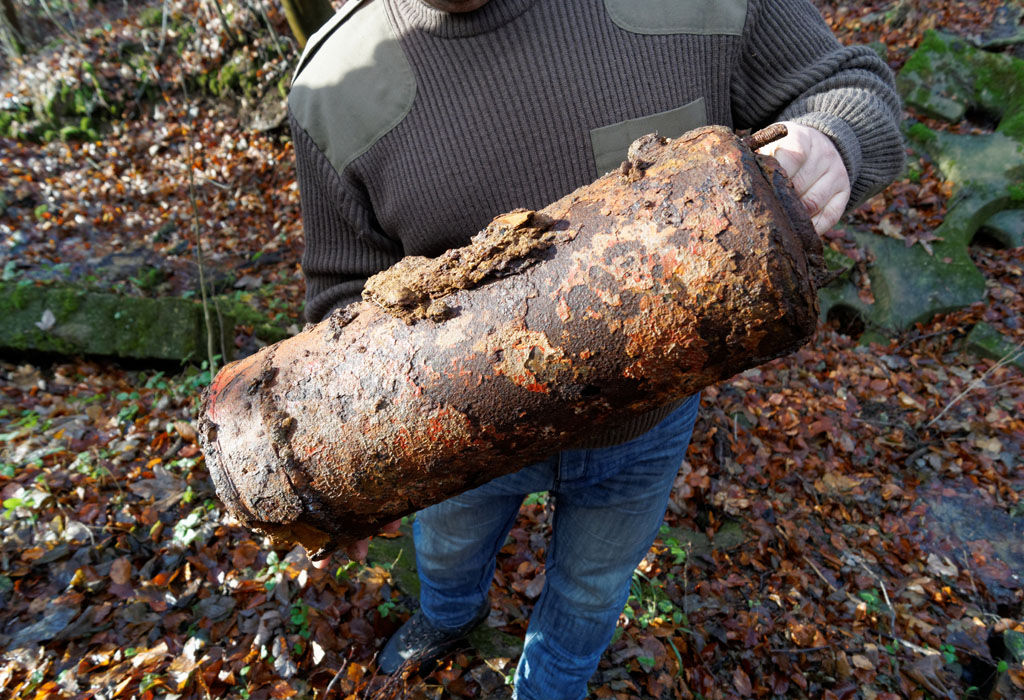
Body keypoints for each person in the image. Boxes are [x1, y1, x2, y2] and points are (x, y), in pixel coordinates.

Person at [287, 1, 903, 697]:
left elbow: (851, 84)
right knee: (449, 553)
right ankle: (449, 615)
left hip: (647, 427)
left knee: (591, 589)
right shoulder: (333, 87)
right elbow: (340, 298)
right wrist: (355, 461)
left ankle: (552, 686)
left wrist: (830, 139)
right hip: (462, 445)